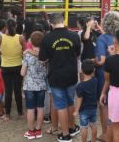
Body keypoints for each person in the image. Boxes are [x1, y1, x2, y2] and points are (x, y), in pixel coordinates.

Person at [39, 13, 81, 142]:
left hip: (56, 76)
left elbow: (43, 58)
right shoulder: (74, 35)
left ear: (51, 23)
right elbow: (78, 53)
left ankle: (65, 134)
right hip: (71, 74)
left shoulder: (47, 38)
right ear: (64, 21)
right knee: (70, 102)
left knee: (61, 105)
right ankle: (72, 127)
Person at [94, 11, 119, 142]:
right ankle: (116, 134)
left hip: (105, 75)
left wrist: (91, 61)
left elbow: (101, 60)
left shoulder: (102, 39)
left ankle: (106, 134)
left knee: (104, 104)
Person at [0, 18, 25, 121]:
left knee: (8, 91)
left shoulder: (1, 38)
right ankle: (20, 113)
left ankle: (7, 114)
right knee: (17, 91)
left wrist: (4, 54)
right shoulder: (20, 38)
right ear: (16, 26)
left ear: (6, 27)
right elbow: (25, 52)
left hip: (5, 67)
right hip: (18, 67)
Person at [21, 31, 47, 140]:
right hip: (41, 85)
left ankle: (31, 131)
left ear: (31, 41)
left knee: (30, 109)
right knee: (40, 108)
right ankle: (38, 130)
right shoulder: (45, 56)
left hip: (29, 86)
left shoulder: (27, 55)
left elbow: (22, 73)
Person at [74, 59, 98, 142]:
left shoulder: (80, 86)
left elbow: (79, 99)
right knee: (94, 124)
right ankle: (93, 140)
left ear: (82, 71)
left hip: (84, 110)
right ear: (93, 70)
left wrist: (76, 110)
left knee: (84, 127)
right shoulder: (95, 81)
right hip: (94, 108)